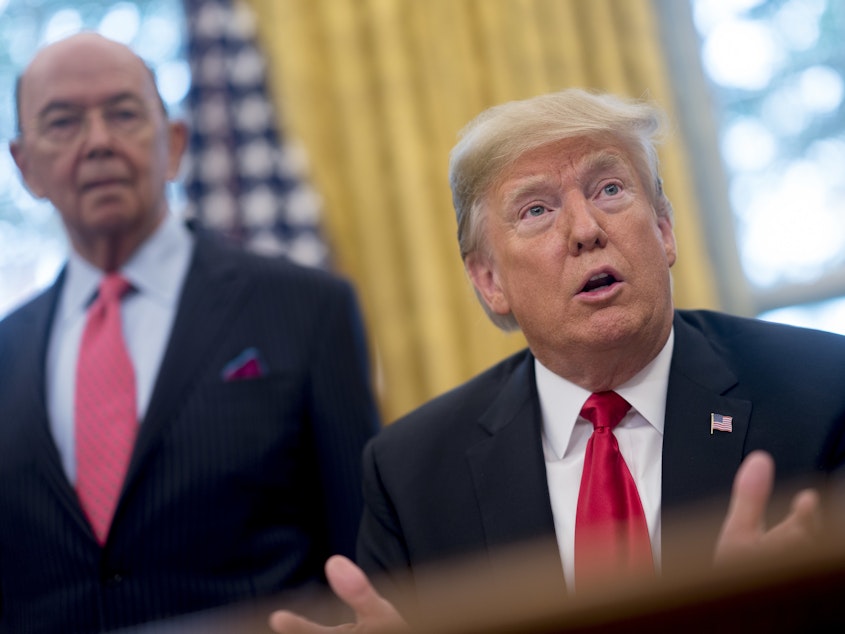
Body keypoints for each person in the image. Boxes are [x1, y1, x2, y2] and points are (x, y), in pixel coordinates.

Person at [269, 88, 845, 632]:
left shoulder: (822, 394)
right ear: (490, 281)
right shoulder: (411, 476)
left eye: (610, 189)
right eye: (537, 209)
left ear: (664, 231)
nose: (586, 230)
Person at [0, 32, 380, 634]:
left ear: (174, 144)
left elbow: (362, 556)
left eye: (123, 114)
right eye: (63, 122)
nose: (98, 142)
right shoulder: (4, 354)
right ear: (25, 168)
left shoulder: (306, 308)